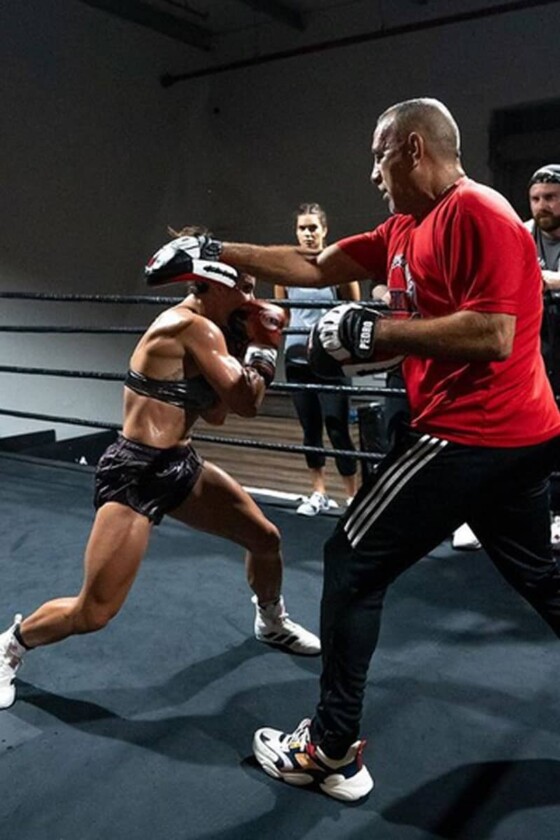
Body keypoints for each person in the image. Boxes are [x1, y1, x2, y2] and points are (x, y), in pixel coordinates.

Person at [167, 98, 560, 802]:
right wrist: (214, 252)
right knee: (543, 579)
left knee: (350, 560)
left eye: (379, 155)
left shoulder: (482, 214)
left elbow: (493, 334)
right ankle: (332, 743)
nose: (373, 172)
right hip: (516, 440)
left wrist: (375, 334)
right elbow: (312, 264)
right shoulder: (406, 226)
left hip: (475, 432)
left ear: (412, 148)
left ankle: (331, 749)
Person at [0, 233, 321, 711]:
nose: (251, 298)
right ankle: (12, 645)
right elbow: (246, 403)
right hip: (135, 475)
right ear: (213, 284)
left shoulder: (211, 332)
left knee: (266, 539)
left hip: (180, 465)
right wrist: (264, 349)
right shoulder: (190, 327)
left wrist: (241, 345)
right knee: (94, 611)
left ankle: (270, 620)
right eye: (245, 287)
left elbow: (213, 414)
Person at [275, 203, 360, 515]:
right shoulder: (286, 273)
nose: (307, 233)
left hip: (332, 360)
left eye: (313, 228)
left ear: (324, 230)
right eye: (302, 228)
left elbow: (353, 312)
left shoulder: (338, 270)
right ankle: (318, 492)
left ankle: (353, 497)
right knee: (310, 429)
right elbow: (281, 315)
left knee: (338, 428)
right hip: (297, 359)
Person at [526, 164, 560, 550]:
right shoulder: (521, 233)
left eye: (550, 198)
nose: (542, 205)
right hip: (535, 348)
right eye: (536, 198)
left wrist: (552, 281)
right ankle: (540, 512)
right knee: (535, 436)